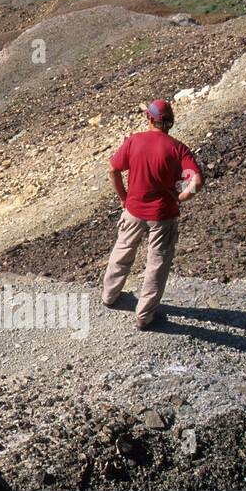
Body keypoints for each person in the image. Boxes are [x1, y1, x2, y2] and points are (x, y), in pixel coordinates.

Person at [101, 99, 202, 329]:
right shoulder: (178, 149)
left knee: (122, 252)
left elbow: (113, 169)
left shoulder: (135, 141)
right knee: (156, 263)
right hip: (162, 215)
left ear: (150, 119)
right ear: (170, 123)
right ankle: (144, 315)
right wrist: (182, 197)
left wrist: (123, 198)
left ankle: (109, 296)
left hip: (133, 209)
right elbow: (195, 180)